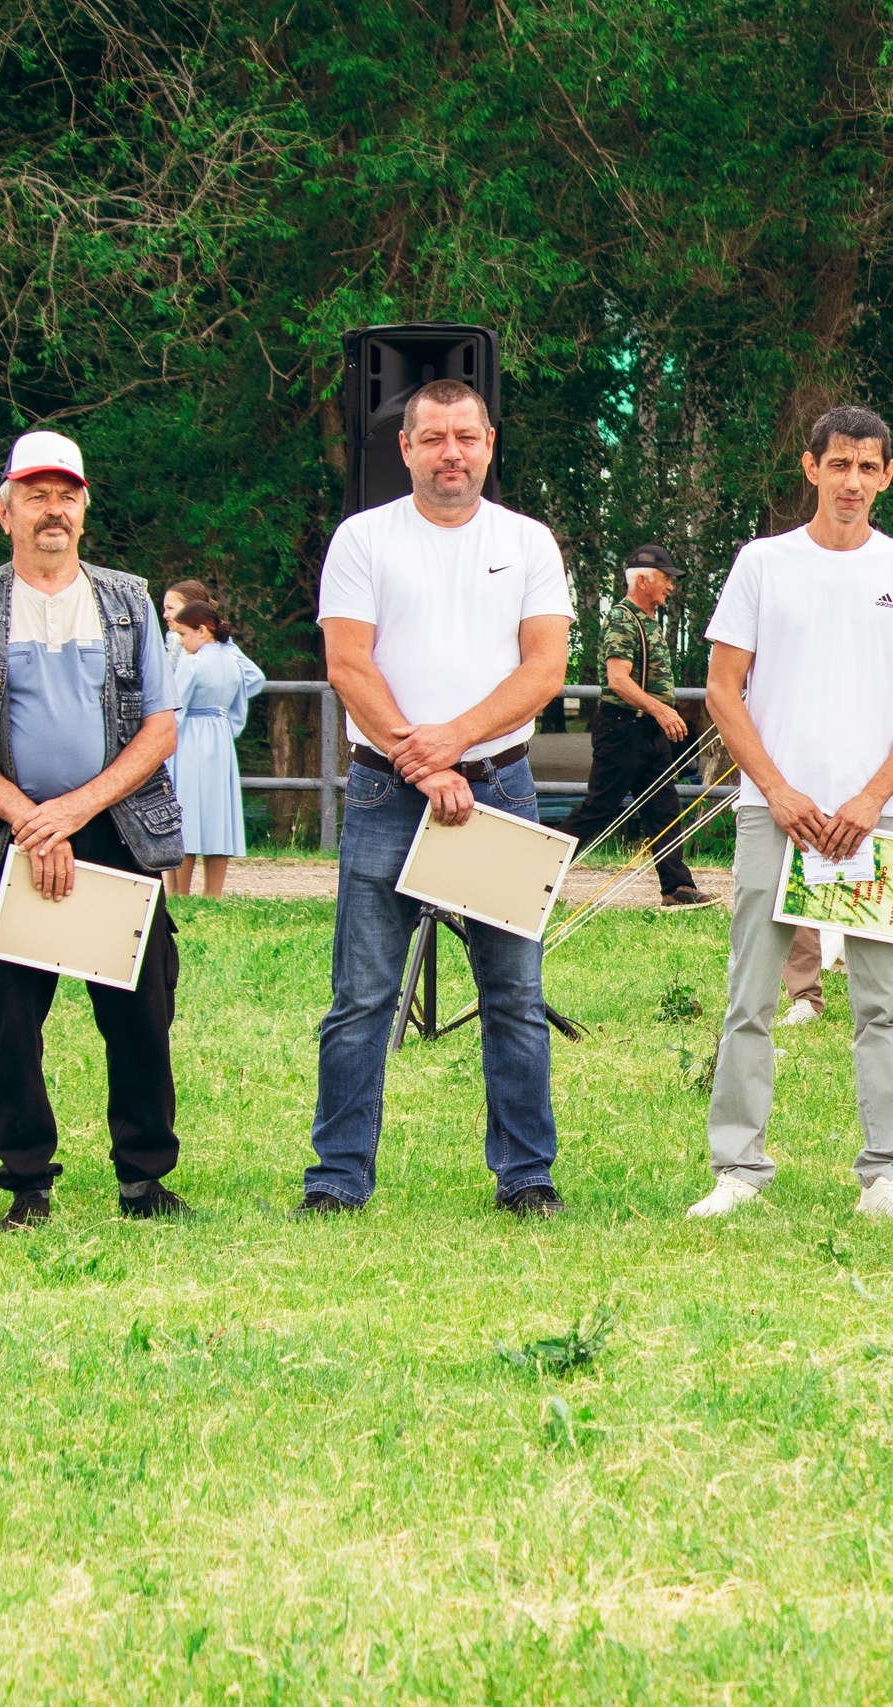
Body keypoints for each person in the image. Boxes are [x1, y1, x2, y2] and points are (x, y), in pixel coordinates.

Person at [297, 377, 574, 1218]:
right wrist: (424, 765)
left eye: (467, 435)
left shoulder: (527, 542)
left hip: (500, 789)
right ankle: (337, 1179)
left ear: (491, 442)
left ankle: (526, 1176)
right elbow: (349, 664)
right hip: (388, 790)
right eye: (434, 437)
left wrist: (450, 745)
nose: (451, 452)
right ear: (407, 448)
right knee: (362, 998)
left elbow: (544, 669)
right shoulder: (363, 540)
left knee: (515, 997)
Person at [688, 404, 893, 1221]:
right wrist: (777, 788)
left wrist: (874, 796)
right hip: (780, 812)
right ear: (811, 468)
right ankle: (738, 1167)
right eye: (839, 464)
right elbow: (722, 689)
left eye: (869, 467)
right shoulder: (762, 564)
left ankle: (887, 1174)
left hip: (875, 819)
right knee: (752, 996)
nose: (853, 482)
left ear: (888, 476)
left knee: (880, 1000)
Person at [0, 430, 189, 1230]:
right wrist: (30, 820)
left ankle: (144, 1177)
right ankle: (26, 1179)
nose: (53, 509)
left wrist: (74, 812)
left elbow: (160, 728)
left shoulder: (127, 598)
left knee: (140, 1009)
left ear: (84, 507)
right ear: (5, 509)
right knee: (7, 1016)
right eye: (36, 494)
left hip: (116, 830)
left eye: (66, 494)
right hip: (7, 837)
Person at [563, 543, 701, 905]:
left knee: (663, 806)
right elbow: (617, 679)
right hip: (622, 728)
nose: (671, 587)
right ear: (643, 580)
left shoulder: (647, 621)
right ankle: (535, 874)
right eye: (666, 579)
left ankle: (677, 888)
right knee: (600, 809)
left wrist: (659, 715)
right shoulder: (623, 618)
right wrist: (662, 710)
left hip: (648, 730)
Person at [165, 597, 266, 898]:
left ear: (202, 631)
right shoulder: (232, 660)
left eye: (183, 634)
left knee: (186, 811)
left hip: (191, 736)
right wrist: (228, 726)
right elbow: (240, 704)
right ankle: (214, 894)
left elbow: (176, 707)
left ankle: (179, 893)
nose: (180, 642)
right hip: (220, 739)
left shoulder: (192, 664)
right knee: (217, 813)